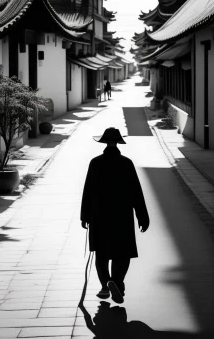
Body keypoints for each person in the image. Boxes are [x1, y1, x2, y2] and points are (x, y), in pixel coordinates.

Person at [80, 127, 149, 304]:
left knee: (101, 253)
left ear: (103, 142)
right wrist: (142, 216)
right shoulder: (126, 163)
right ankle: (116, 281)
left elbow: (88, 191)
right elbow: (136, 191)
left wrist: (85, 215)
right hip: (122, 214)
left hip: (99, 215)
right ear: (118, 142)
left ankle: (105, 285)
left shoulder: (95, 163)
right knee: (122, 252)